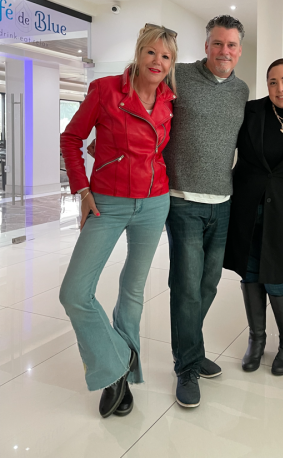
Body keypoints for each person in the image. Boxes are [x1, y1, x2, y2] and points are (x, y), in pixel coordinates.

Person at [59, 24, 177, 418]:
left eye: (165, 56)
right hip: (106, 203)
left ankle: (117, 379)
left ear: (171, 63)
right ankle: (119, 360)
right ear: (139, 53)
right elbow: (71, 139)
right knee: (74, 292)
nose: (157, 61)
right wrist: (83, 190)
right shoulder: (106, 90)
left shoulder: (169, 101)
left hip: (155, 202)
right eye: (151, 52)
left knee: (133, 290)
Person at [164, 15, 249, 408]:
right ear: (206, 46)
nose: (224, 51)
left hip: (223, 201)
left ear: (239, 51)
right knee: (185, 286)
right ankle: (186, 367)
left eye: (231, 45)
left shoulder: (241, 90)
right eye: (218, 43)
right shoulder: (177, 75)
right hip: (182, 200)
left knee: (208, 285)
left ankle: (191, 349)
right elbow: (139, 93)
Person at [223, 59, 283, 376]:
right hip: (246, 207)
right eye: (273, 82)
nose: (280, 88)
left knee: (277, 278)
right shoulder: (251, 111)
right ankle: (256, 339)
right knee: (250, 274)